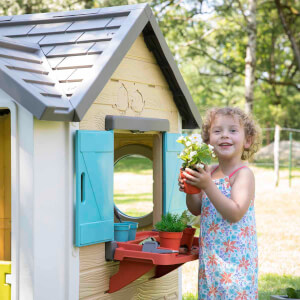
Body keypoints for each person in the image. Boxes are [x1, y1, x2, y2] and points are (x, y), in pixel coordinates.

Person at [179, 107, 261, 300]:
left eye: (233, 130)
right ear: (208, 141)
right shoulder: (209, 171)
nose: (225, 135)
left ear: (247, 141)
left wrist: (207, 185)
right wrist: (192, 189)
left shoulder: (243, 174)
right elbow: (196, 208)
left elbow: (234, 213)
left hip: (236, 263)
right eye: (217, 131)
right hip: (212, 261)